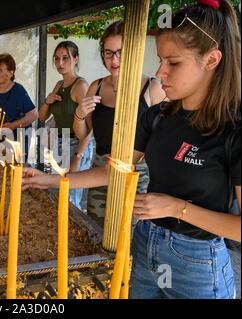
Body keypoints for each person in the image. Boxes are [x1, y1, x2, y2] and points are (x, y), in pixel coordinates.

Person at [22, 0, 240, 299]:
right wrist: (49, 180)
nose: (161, 72)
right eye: (160, 59)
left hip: (197, 264)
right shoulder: (159, 116)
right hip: (143, 245)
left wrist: (177, 208)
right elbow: (116, 170)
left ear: (212, 60)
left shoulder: (233, 128)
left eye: (173, 62)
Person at [73, 21, 166, 225]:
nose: (114, 59)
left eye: (120, 52)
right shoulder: (96, 87)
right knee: (97, 232)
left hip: (137, 174)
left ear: (133, 52)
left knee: (130, 238)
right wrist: (79, 114)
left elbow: (167, 137)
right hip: (100, 168)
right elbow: (84, 134)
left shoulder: (153, 88)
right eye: (108, 53)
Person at [38, 41, 93, 212]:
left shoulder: (81, 86)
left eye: (65, 58)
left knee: (71, 198)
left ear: (75, 59)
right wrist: (47, 102)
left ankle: (71, 235)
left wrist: (78, 157)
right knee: (59, 193)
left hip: (77, 144)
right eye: (56, 59)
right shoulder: (59, 85)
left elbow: (90, 128)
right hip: (59, 143)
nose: (60, 63)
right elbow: (42, 116)